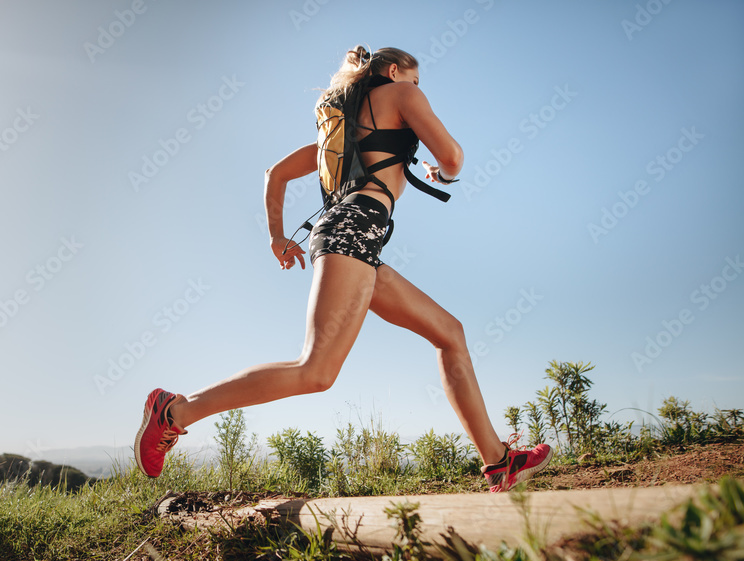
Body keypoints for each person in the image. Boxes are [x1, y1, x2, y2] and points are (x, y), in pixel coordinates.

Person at [134, 46, 552, 493]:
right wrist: (440, 172)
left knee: (450, 332)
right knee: (316, 370)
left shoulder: (339, 129)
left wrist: (277, 236)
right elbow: (452, 158)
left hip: (354, 237)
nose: (418, 88)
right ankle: (175, 411)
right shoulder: (403, 95)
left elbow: (275, 174)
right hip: (353, 233)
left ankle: (498, 462)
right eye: (416, 78)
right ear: (394, 72)